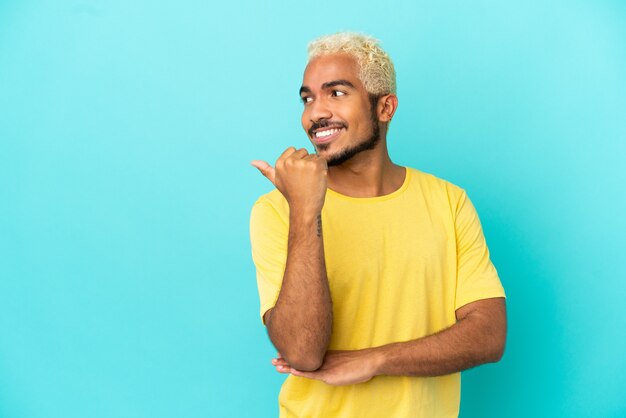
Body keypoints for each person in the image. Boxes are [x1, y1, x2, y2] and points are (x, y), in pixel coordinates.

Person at [249, 32, 507, 418]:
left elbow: (488, 335)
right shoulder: (277, 210)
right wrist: (305, 211)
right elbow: (302, 352)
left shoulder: (449, 202)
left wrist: (374, 360)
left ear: (385, 107)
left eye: (336, 93)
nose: (315, 113)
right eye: (307, 98)